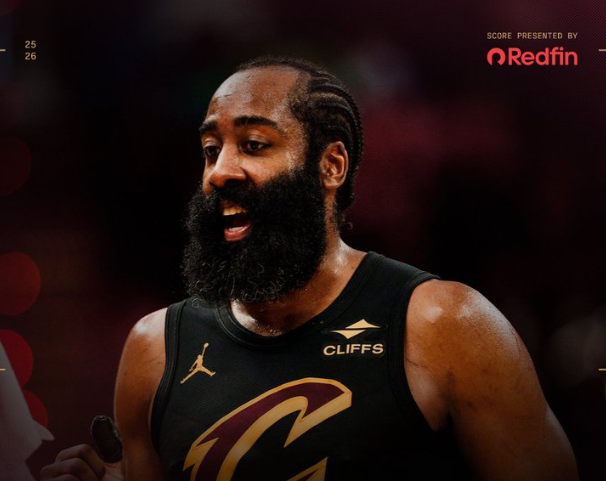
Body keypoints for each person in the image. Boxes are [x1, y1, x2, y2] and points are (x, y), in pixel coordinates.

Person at [41, 56, 579, 481]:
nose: (219, 172)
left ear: (331, 165)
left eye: (254, 145)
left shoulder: (448, 325)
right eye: (210, 149)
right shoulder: (154, 349)